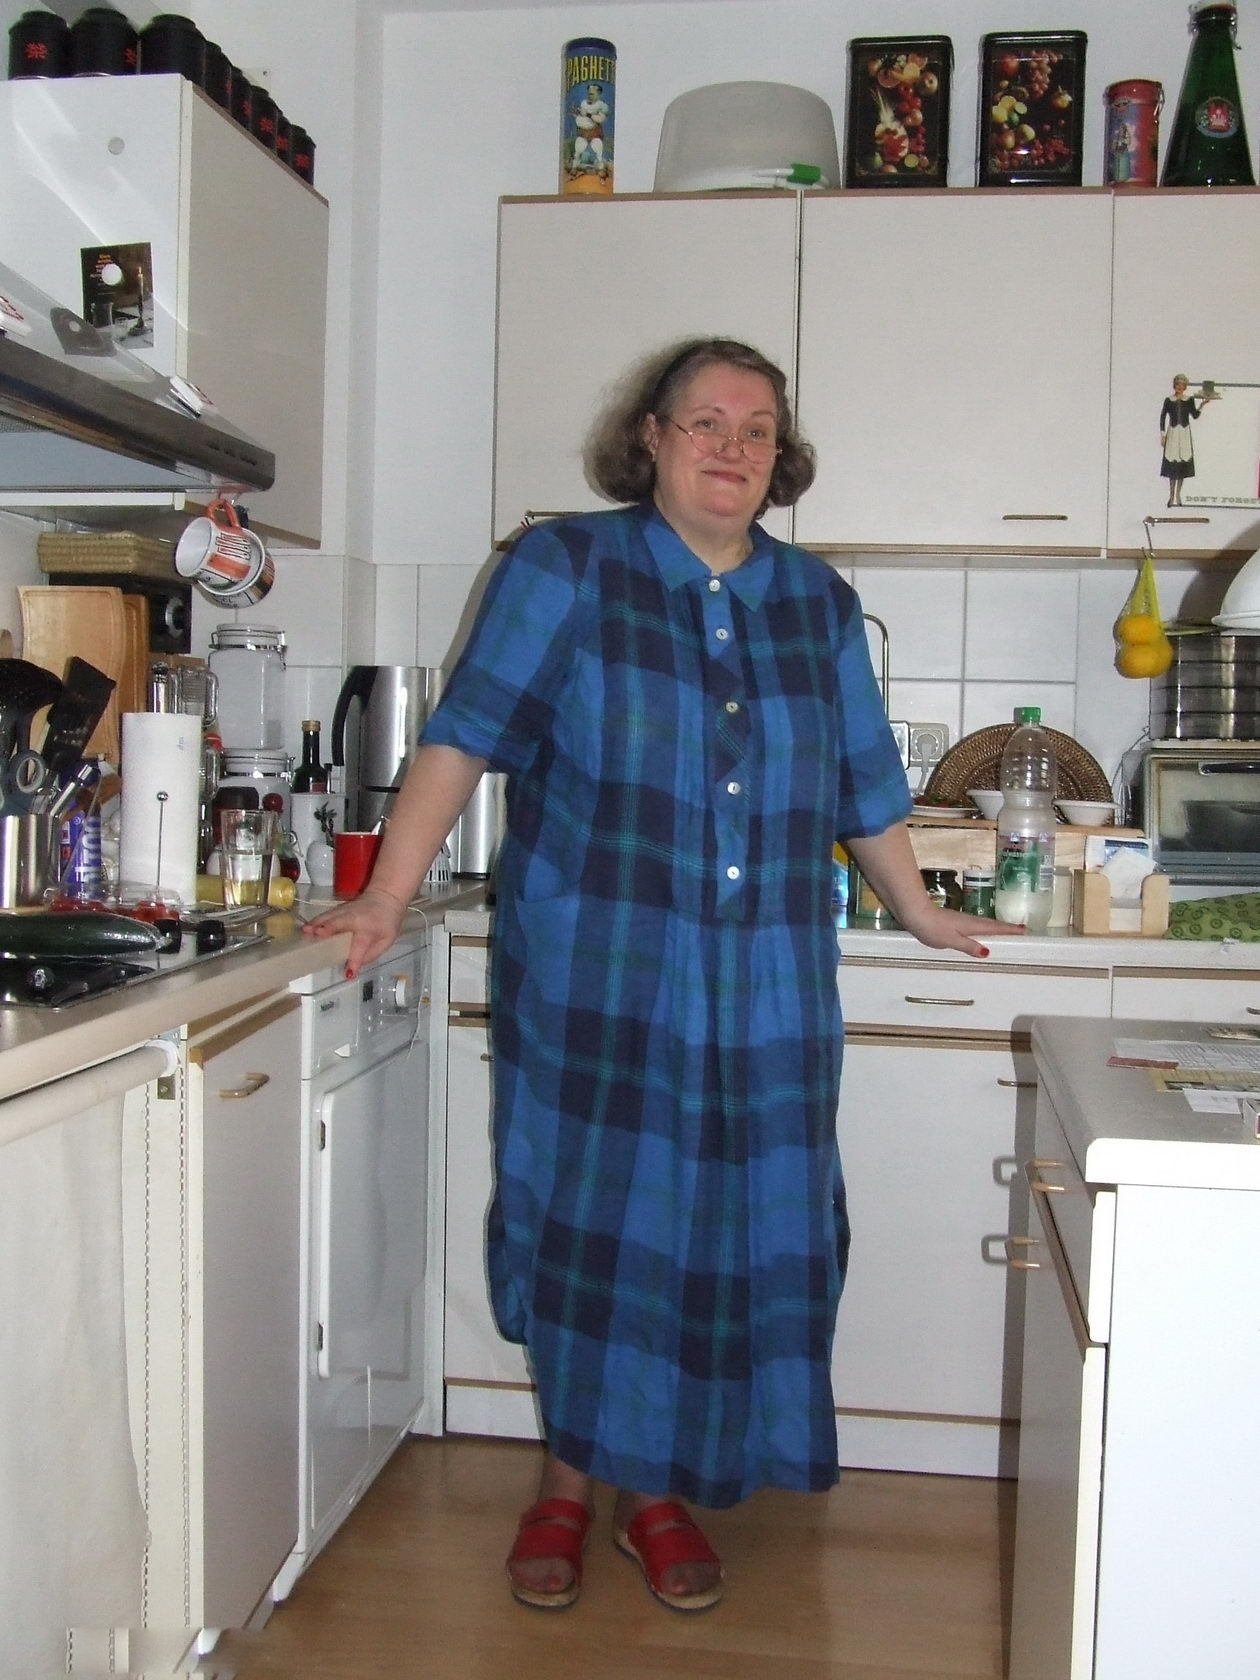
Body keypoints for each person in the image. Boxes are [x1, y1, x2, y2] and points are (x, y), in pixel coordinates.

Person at [305, 337, 1011, 1615]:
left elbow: (863, 779)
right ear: (651, 438)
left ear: (782, 455)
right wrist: (385, 897)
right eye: (705, 423)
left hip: (765, 987)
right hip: (602, 971)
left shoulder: (817, 603)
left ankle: (657, 1491)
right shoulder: (566, 568)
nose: (733, 448)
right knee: (597, 1225)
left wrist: (918, 910)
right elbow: (464, 738)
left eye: (757, 429)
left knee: (733, 1228)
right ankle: (570, 1487)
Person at [1160, 372, 1218, 507]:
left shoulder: (1189, 400)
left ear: (1185, 387)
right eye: (1178, 384)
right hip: (1173, 433)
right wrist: (1163, 435)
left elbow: (1195, 415)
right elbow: (1163, 417)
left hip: (1184, 433)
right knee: (1172, 463)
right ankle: (1171, 495)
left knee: (1182, 464)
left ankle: (1178, 495)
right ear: (1174, 385)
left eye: (1182, 385)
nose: (1180, 387)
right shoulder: (1168, 400)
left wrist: (1202, 405)